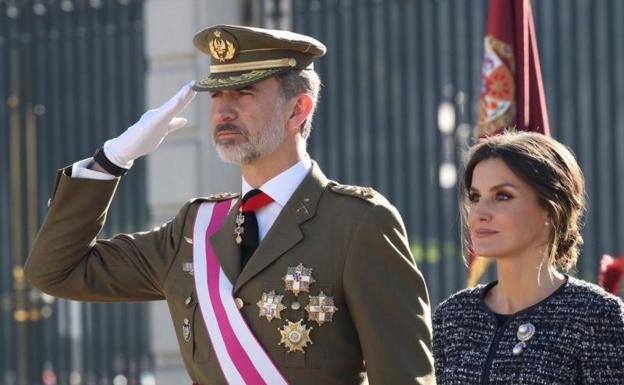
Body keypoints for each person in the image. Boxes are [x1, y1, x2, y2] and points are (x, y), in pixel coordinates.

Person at [25, 25, 435, 385]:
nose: (223, 109)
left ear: (298, 109)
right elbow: (55, 271)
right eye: (217, 93)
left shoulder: (357, 224)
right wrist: (111, 161)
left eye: (244, 91)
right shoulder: (195, 227)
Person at [432, 132, 624, 384]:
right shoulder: (453, 316)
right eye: (476, 197)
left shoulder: (596, 315)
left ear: (551, 209)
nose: (478, 213)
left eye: (502, 196)